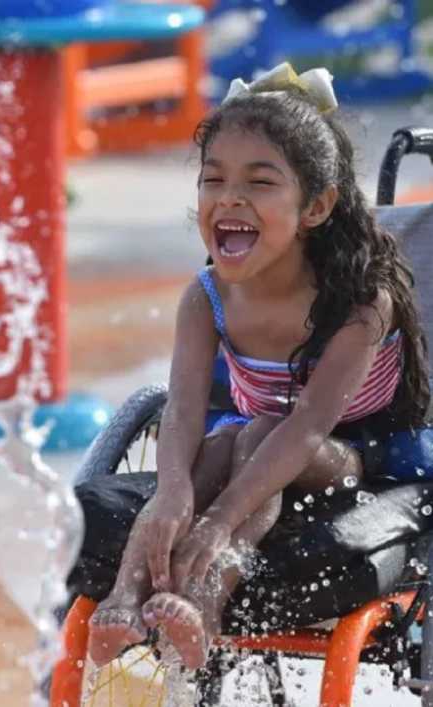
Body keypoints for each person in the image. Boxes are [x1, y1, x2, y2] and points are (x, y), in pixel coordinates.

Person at [87, 62, 431, 671]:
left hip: (357, 449)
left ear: (316, 207)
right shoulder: (206, 296)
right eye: (212, 179)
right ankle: (121, 602)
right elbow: (184, 408)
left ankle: (207, 599)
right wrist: (171, 493)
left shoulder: (361, 302)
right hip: (254, 434)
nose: (229, 198)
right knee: (213, 452)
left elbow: (304, 430)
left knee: (262, 433)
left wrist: (217, 521)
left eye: (259, 182)